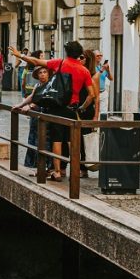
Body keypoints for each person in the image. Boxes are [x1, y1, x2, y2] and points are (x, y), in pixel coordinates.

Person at [10, 42, 95, 181]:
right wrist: (82, 107)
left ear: (66, 52)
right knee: (72, 141)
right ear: (79, 54)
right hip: (72, 109)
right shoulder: (84, 70)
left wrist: (20, 55)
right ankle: (74, 169)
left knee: (57, 140)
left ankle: (57, 171)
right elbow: (91, 95)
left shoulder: (60, 63)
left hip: (56, 108)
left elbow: (36, 61)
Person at [13, 66, 52, 171]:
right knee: (34, 137)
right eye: (40, 73)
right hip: (36, 115)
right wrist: (20, 105)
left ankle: (47, 166)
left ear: (48, 74)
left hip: (46, 113)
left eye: (45, 72)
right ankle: (35, 164)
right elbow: (32, 96)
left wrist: (30, 106)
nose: (43, 74)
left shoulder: (50, 85)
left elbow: (44, 98)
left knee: (45, 140)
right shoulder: (37, 85)